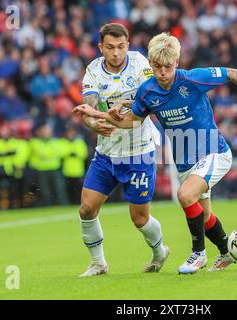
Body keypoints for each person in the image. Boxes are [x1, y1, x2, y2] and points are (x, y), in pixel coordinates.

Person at [73, 32, 237, 274]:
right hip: (184, 160)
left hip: (213, 152)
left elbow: (234, 74)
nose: (163, 72)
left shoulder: (193, 79)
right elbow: (133, 122)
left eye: (168, 66)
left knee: (184, 195)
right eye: (158, 67)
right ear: (151, 65)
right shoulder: (147, 91)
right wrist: (99, 116)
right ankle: (226, 252)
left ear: (177, 62)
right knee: (204, 217)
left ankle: (199, 254)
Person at [77, 23, 170, 277]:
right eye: (110, 48)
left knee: (139, 219)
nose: (116, 53)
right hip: (106, 155)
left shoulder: (141, 64)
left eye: (120, 47)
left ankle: (160, 250)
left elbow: (149, 103)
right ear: (101, 48)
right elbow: (89, 108)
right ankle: (98, 263)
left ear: (127, 45)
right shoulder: (93, 70)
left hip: (139, 152)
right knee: (86, 209)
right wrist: (93, 122)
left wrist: (123, 107)